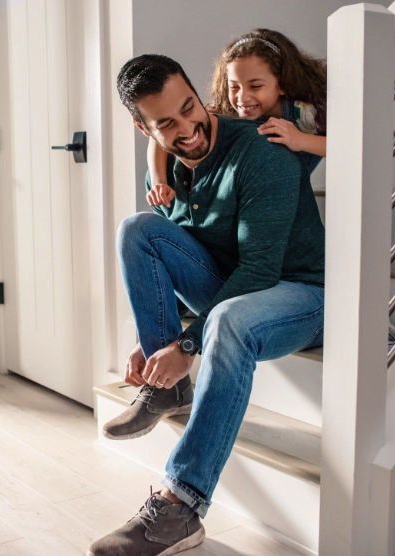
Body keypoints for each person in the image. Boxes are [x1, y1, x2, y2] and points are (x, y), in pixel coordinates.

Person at [87, 54, 325, 555]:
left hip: (305, 293)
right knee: (139, 229)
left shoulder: (262, 153)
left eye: (189, 107)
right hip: (239, 286)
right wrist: (153, 340)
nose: (187, 128)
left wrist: (187, 344)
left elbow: (258, 274)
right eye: (167, 123)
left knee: (231, 322)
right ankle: (165, 392)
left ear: (196, 92)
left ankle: (181, 506)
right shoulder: (175, 163)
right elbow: (193, 258)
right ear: (143, 127)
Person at [146, 29, 327, 210]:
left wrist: (300, 140)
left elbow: (346, 150)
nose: (243, 97)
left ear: (283, 83)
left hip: (283, 197)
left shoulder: (308, 113)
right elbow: (159, 135)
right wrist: (158, 181)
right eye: (234, 87)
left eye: (255, 86)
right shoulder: (222, 112)